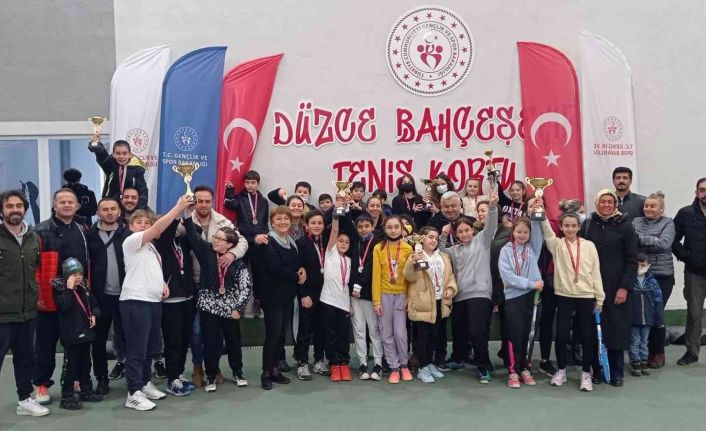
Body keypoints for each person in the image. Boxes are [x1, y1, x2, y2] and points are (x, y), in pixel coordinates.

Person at [120, 196, 193, 411]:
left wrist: (162, 284)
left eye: (147, 223)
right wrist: (178, 208)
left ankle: (144, 383)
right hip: (135, 301)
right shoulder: (132, 241)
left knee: (150, 348)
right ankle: (133, 392)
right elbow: (158, 228)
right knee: (137, 349)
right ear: (131, 226)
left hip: (153, 302)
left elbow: (148, 270)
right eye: (139, 222)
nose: (143, 226)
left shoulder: (151, 249)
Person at [537, 205, 604, 392]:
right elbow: (547, 232)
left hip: (586, 295)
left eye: (573, 225)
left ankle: (586, 373)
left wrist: (600, 298)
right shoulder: (557, 245)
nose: (570, 229)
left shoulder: (589, 246)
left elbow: (595, 272)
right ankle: (561, 370)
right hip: (564, 295)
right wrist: (541, 213)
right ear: (561, 226)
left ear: (579, 226)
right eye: (566, 225)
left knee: (586, 336)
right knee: (561, 335)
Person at [33, 188, 89, 405]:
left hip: (75, 299)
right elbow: (34, 267)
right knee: (46, 345)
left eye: (70, 202)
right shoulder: (41, 230)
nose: (66, 205)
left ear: (77, 206)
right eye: (62, 202)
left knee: (75, 343)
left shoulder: (82, 229)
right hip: (49, 298)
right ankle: (42, 384)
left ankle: (75, 380)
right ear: (54, 205)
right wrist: (38, 294)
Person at [184, 213, 251, 392]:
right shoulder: (206, 252)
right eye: (215, 237)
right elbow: (193, 236)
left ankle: (238, 372)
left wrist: (239, 308)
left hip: (231, 310)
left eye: (220, 239)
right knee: (210, 343)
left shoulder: (237, 262)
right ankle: (211, 376)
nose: (215, 241)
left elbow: (246, 287)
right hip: (209, 309)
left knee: (233, 342)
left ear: (229, 245)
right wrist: (186, 215)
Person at [439, 190, 498, 383]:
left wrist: (492, 206)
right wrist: (442, 236)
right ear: (456, 234)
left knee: (476, 332)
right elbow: (440, 253)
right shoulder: (454, 250)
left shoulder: (482, 241)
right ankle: (458, 359)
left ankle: (483, 367)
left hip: (480, 294)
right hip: (460, 295)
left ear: (473, 230)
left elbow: (491, 225)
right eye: (460, 232)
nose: (464, 234)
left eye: (467, 230)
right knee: (459, 331)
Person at [580, 189, 638, 387]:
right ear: (597, 204)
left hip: (616, 288)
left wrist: (624, 287)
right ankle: (597, 370)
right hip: (591, 288)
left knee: (616, 330)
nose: (606, 205)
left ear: (615, 205)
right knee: (594, 331)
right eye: (602, 202)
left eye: (610, 202)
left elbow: (632, 260)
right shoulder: (588, 225)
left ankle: (616, 372)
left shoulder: (626, 226)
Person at [0, 189, 49, 417]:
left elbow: (34, 271)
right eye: (9, 206)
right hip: (2, 314)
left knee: (25, 360)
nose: (15, 210)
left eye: (19, 206)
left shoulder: (33, 237)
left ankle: (25, 400)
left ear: (25, 209)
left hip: (28, 313)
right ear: (2, 210)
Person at [257, 206, 306, 390]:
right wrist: (296, 276)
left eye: (286, 218)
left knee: (280, 336)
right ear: (272, 222)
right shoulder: (268, 242)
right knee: (273, 336)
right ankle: (266, 373)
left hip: (287, 296)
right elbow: (275, 268)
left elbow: (297, 263)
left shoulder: (290, 241)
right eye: (278, 219)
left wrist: (302, 269)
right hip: (273, 297)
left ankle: (275, 369)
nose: (283, 222)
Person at [86, 197, 128, 395]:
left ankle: (136, 378)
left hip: (127, 295)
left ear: (119, 212)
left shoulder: (128, 233)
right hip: (100, 297)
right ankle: (102, 379)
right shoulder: (89, 235)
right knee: (99, 340)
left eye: (113, 209)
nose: (109, 212)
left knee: (131, 337)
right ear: (98, 212)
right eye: (105, 209)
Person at [404, 227, 457, 383]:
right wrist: (412, 261)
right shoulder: (415, 256)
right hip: (422, 303)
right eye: (430, 237)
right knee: (422, 338)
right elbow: (409, 277)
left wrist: (450, 288)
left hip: (440, 302)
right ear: (421, 239)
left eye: (436, 238)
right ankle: (422, 367)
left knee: (434, 336)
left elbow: (450, 276)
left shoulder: (444, 257)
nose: (434, 240)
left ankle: (429, 363)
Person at [498, 217, 543, 388]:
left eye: (526, 232)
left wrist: (535, 215)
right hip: (513, 297)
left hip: (532, 297)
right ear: (513, 232)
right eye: (519, 231)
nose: (522, 235)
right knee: (514, 334)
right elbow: (507, 277)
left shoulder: (533, 248)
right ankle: (513, 371)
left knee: (528, 334)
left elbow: (538, 233)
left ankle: (525, 368)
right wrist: (531, 284)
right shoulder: (505, 251)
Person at [154, 217, 197, 396]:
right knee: (173, 342)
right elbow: (166, 234)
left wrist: (188, 218)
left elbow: (195, 235)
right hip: (170, 301)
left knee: (185, 340)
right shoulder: (159, 244)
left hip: (188, 298)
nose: (176, 228)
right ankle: (171, 379)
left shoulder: (182, 243)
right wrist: (175, 215)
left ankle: (179, 373)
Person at [52, 258, 103, 410]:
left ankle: (86, 390)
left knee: (86, 364)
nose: (78, 277)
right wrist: (69, 289)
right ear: (67, 276)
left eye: (80, 274)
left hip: (85, 333)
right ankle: (67, 397)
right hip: (71, 335)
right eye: (74, 274)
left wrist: (94, 315)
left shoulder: (84, 289)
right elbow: (64, 306)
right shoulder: (61, 290)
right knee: (70, 367)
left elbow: (94, 304)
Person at [632, 191, 675, 368]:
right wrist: (653, 240)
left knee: (657, 315)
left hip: (662, 276)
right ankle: (641, 353)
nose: (648, 209)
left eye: (652, 206)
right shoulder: (636, 221)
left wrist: (642, 240)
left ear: (661, 209)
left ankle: (657, 352)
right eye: (646, 206)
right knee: (641, 315)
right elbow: (632, 242)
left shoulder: (668, 223)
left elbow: (664, 244)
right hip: (640, 275)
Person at [372, 216, 413, 384]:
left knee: (400, 332)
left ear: (402, 229)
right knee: (386, 332)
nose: (393, 230)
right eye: (389, 227)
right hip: (384, 295)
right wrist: (376, 301)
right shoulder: (378, 248)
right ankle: (394, 366)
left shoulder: (408, 248)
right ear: (384, 229)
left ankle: (404, 364)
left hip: (402, 295)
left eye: (396, 227)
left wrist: (409, 297)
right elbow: (376, 276)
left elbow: (411, 276)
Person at [224, 171, 269, 317]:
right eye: (247, 182)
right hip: (243, 240)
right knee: (240, 273)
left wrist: (265, 235)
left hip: (259, 242)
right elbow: (229, 205)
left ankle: (258, 301)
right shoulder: (239, 198)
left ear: (258, 183)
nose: (250, 185)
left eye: (253, 182)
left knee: (259, 273)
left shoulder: (263, 201)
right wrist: (230, 191)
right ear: (244, 183)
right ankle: (239, 303)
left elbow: (264, 221)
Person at [672, 177, 706, 366]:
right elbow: (673, 239)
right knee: (694, 314)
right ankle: (692, 352)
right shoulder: (685, 213)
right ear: (696, 192)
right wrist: (686, 257)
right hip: (695, 273)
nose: (705, 193)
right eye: (702, 190)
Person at [293, 210, 329, 380]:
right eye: (313, 223)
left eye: (320, 223)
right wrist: (303, 294)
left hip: (326, 293)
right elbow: (298, 271)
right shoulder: (300, 243)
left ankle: (319, 360)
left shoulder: (327, 241)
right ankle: (302, 362)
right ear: (306, 225)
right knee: (305, 329)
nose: (317, 226)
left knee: (321, 328)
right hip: (308, 293)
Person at [349, 214, 384, 381]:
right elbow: (352, 267)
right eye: (360, 226)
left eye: (366, 226)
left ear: (372, 227)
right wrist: (354, 287)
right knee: (359, 330)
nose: (363, 229)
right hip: (355, 295)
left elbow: (370, 267)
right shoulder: (354, 243)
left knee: (374, 330)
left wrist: (360, 284)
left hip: (371, 294)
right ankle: (362, 363)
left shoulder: (378, 244)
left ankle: (378, 363)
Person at [319, 208, 353, 382]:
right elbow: (334, 231)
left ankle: (343, 363)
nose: (343, 243)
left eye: (346, 242)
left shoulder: (349, 260)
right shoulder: (330, 253)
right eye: (340, 241)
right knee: (330, 334)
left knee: (343, 335)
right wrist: (336, 217)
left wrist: (350, 304)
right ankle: (333, 363)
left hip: (344, 303)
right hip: (328, 301)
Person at [629, 253, 664, 377]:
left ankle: (644, 361)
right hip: (634, 318)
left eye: (643, 265)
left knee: (644, 341)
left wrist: (659, 319)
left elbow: (658, 300)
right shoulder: (630, 281)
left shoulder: (652, 282)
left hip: (648, 318)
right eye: (637, 265)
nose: (640, 267)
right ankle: (635, 362)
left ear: (649, 265)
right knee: (635, 341)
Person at [89, 139, 148, 209]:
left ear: (130, 154)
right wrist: (98, 149)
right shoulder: (110, 165)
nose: (121, 156)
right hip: (111, 205)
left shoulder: (137, 169)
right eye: (118, 153)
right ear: (113, 154)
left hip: (130, 206)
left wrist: (140, 209)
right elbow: (103, 157)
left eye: (124, 153)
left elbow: (142, 190)